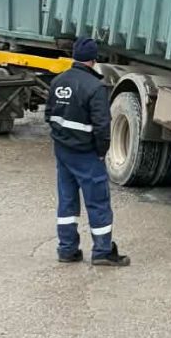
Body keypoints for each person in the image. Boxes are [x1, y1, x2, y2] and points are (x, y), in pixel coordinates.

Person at [45, 37, 129, 267]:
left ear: (74, 56)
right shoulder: (95, 87)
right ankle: (102, 251)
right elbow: (102, 127)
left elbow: (49, 115)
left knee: (67, 200)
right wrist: (102, 152)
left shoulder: (58, 81)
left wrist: (61, 140)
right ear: (94, 60)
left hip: (63, 151)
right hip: (86, 154)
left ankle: (67, 249)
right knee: (97, 201)